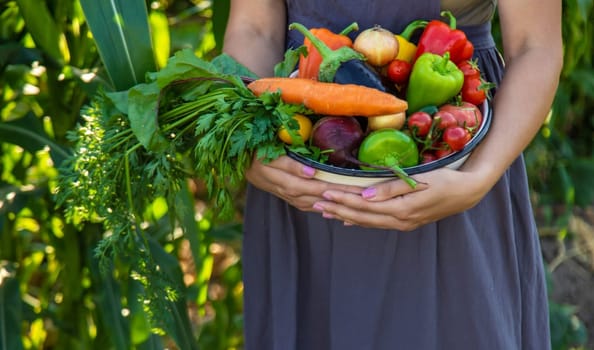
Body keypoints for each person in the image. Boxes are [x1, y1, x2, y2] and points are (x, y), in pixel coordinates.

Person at [223, 0, 563, 349]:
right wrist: (249, 140)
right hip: (300, 153)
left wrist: (478, 176)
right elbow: (255, 27)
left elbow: (534, 46)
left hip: (446, 154)